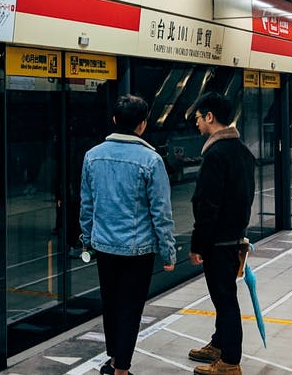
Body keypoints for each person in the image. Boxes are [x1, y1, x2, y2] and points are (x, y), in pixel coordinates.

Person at [80, 95, 176, 375]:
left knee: (110, 304)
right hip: (138, 251)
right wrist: (168, 251)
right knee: (130, 308)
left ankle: (113, 359)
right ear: (143, 125)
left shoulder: (92, 156)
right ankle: (121, 368)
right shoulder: (151, 160)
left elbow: (87, 204)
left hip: (104, 247)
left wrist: (87, 239)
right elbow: (161, 211)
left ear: (114, 120)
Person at [186, 93, 255, 375]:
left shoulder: (215, 155)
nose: (197, 124)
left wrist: (197, 244)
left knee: (225, 299)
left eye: (199, 118)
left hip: (218, 240)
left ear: (210, 117)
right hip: (233, 236)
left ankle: (229, 361)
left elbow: (208, 204)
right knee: (223, 296)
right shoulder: (241, 150)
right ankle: (219, 343)